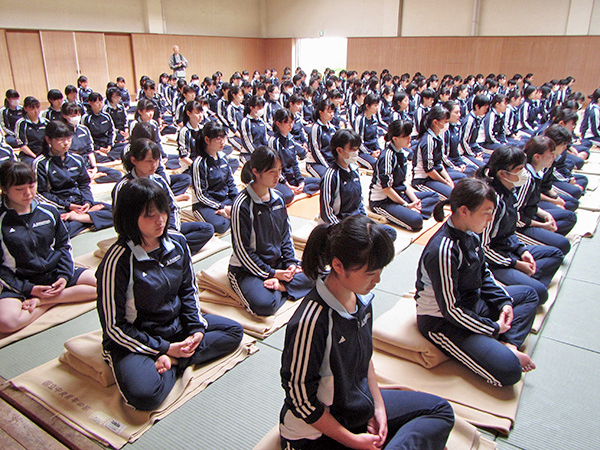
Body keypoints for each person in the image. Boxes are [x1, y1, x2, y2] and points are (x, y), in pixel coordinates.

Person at [280, 214, 454, 450]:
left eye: (379, 271)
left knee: (440, 411)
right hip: (314, 434)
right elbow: (300, 400)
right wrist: (352, 440)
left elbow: (365, 359)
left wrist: (378, 407)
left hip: (353, 405)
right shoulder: (310, 322)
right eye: (371, 273)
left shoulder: (361, 299)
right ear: (339, 266)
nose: (378, 280)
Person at [97, 178, 243, 411]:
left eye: (162, 211)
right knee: (145, 395)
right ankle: (171, 357)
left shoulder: (177, 242)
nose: (160, 220)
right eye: (149, 215)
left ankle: (174, 362)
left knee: (234, 332)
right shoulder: (118, 260)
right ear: (129, 218)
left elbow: (188, 290)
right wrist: (162, 348)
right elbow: (114, 327)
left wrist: (195, 328)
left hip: (176, 326)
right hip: (139, 337)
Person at [416, 178, 539, 387]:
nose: (491, 218)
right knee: (509, 372)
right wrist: (493, 328)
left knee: (529, 295)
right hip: (443, 322)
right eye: (487, 212)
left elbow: (484, 274)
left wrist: (503, 303)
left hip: (472, 302)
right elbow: (452, 310)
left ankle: (509, 345)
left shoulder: (472, 234)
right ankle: (503, 346)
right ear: (464, 211)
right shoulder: (443, 250)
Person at [0, 160, 97, 334]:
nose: (28, 193)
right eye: (19, 189)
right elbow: (1, 269)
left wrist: (64, 276)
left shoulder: (48, 211)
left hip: (54, 273)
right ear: (5, 190)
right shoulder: (1, 221)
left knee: (103, 285)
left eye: (31, 186)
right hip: (21, 279)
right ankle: (50, 298)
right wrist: (29, 289)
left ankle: (43, 302)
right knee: (6, 322)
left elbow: (63, 246)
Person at [228, 146, 314, 316]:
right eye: (272, 172)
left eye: (280, 170)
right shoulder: (242, 205)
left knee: (321, 274)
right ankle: (284, 286)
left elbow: (285, 236)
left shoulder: (278, 199)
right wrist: (273, 273)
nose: (278, 176)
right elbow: (243, 251)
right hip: (248, 269)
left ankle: (281, 287)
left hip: (277, 263)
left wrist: (290, 263)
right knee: (264, 305)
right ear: (256, 172)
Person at [477, 146, 564, 305]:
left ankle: (523, 282)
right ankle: (518, 284)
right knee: (540, 294)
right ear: (503, 174)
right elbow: (482, 248)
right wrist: (515, 264)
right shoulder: (492, 202)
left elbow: (510, 231)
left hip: (508, 249)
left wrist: (522, 250)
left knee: (556, 254)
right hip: (493, 259)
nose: (524, 172)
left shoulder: (510, 191)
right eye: (520, 169)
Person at [113, 138, 214, 255]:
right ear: (134, 160)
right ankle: (168, 251)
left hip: (163, 228)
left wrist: (170, 231)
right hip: (142, 237)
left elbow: (173, 207)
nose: (154, 165)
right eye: (149, 161)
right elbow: (121, 222)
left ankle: (169, 250)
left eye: (156, 160)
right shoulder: (124, 187)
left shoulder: (158, 180)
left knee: (207, 229)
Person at [34, 121, 113, 237]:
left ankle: (78, 218)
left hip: (79, 202)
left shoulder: (77, 159)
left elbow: (84, 184)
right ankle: (86, 218)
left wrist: (87, 202)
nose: (66, 143)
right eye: (61, 139)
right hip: (58, 205)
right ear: (48, 140)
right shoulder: (40, 163)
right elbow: (41, 194)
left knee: (118, 212)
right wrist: (68, 206)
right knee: (54, 231)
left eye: (69, 139)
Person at [320, 129, 397, 242]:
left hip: (356, 221)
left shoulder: (354, 169)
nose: (356, 153)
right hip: (341, 226)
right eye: (352, 149)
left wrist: (364, 221)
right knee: (366, 242)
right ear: (340, 150)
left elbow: (359, 200)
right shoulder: (331, 176)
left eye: (357, 149)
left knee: (389, 233)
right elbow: (326, 213)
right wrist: (343, 230)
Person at [370, 120, 439, 231]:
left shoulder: (402, 153)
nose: (409, 138)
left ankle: (414, 210)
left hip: (399, 194)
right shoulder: (387, 156)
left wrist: (415, 201)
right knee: (417, 221)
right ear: (395, 138)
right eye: (405, 136)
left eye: (409, 135)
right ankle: (412, 212)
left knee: (435, 196)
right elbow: (387, 189)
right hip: (383, 201)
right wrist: (406, 205)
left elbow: (402, 183)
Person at [515, 136, 575, 255]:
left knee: (570, 217)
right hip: (517, 227)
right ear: (537, 157)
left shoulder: (537, 172)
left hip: (529, 216)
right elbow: (516, 217)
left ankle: (545, 238)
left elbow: (531, 204)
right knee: (561, 247)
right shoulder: (525, 179)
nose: (554, 157)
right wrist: (542, 225)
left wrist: (545, 214)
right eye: (551, 154)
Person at [191, 122, 238, 235]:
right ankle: (230, 216)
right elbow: (201, 195)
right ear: (207, 140)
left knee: (246, 209)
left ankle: (230, 214)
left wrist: (236, 201)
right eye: (218, 138)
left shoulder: (223, 157)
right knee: (220, 226)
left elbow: (230, 182)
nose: (223, 141)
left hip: (224, 199)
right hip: (205, 204)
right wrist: (222, 207)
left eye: (223, 137)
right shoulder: (199, 163)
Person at [270, 108, 319, 203]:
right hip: (279, 179)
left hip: (292, 177)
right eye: (287, 122)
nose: (290, 125)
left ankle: (299, 190)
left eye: (291, 122)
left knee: (321, 182)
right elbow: (274, 167)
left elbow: (295, 163)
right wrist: (287, 184)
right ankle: (294, 192)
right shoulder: (274, 141)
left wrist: (301, 181)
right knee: (288, 196)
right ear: (278, 123)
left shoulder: (291, 139)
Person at [412, 105, 454, 200]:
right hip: (423, 179)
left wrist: (449, 180)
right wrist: (445, 182)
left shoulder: (438, 137)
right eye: (445, 122)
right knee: (453, 197)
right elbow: (429, 170)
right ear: (435, 122)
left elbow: (439, 163)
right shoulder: (428, 140)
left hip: (434, 175)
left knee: (460, 181)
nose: (447, 124)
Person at [306, 99, 337, 178]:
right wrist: (327, 166)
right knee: (328, 177)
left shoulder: (332, 128)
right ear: (321, 112)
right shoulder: (316, 128)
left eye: (333, 111)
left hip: (330, 160)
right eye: (329, 112)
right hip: (316, 162)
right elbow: (315, 150)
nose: (332, 114)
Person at [14, 96, 48, 166]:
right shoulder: (21, 123)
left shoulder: (46, 122)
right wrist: (35, 156)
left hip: (45, 152)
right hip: (29, 155)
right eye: (32, 108)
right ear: (25, 109)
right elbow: (22, 144)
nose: (36, 111)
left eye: (37, 107)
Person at [240, 95, 269, 163]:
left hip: (262, 153)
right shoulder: (246, 121)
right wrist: (256, 154)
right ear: (252, 108)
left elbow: (265, 139)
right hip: (248, 154)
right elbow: (246, 141)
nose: (261, 109)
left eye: (262, 107)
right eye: (259, 107)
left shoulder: (262, 121)